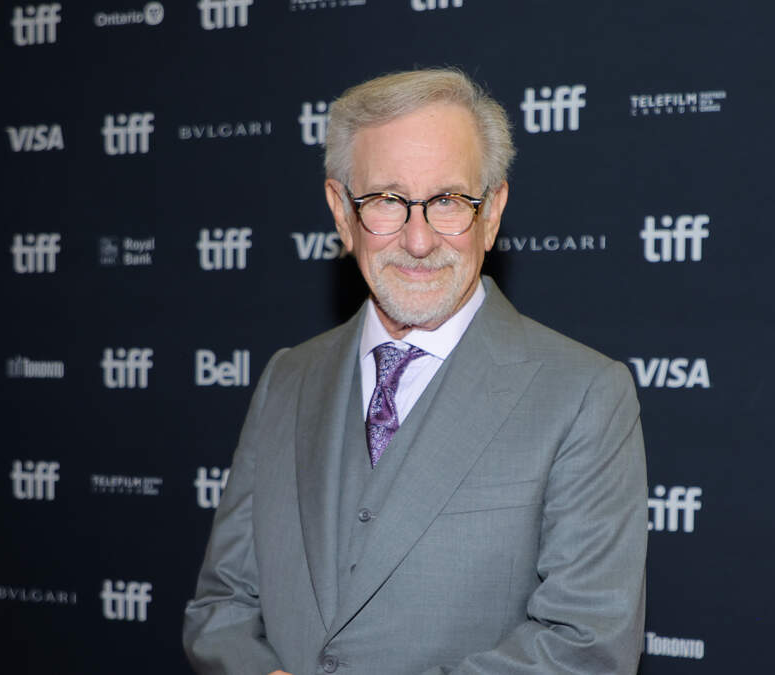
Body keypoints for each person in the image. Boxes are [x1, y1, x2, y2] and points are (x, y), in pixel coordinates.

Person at [183, 68, 647, 675]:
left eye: (448, 201)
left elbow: (584, 645)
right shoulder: (287, 378)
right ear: (342, 213)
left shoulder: (582, 395)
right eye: (387, 201)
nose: (419, 240)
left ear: (492, 212)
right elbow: (222, 606)